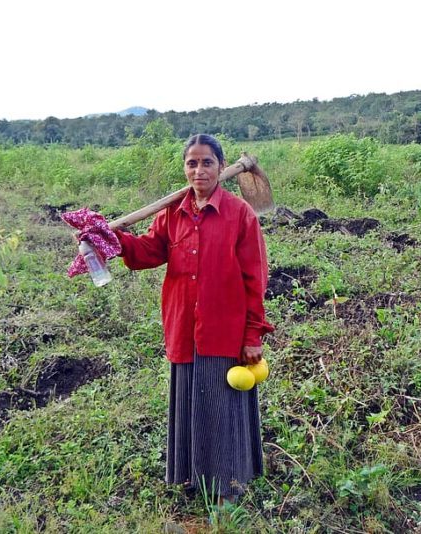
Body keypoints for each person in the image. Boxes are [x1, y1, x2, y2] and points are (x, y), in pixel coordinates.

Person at [113, 134, 274, 506]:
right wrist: (117, 239)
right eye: (191, 163)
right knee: (190, 404)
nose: (198, 170)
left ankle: (226, 488)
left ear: (221, 166)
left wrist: (253, 334)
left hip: (225, 330)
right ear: (184, 168)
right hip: (184, 326)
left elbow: (255, 278)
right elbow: (150, 251)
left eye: (206, 163)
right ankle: (193, 478)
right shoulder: (172, 212)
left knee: (221, 409)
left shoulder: (239, 214)